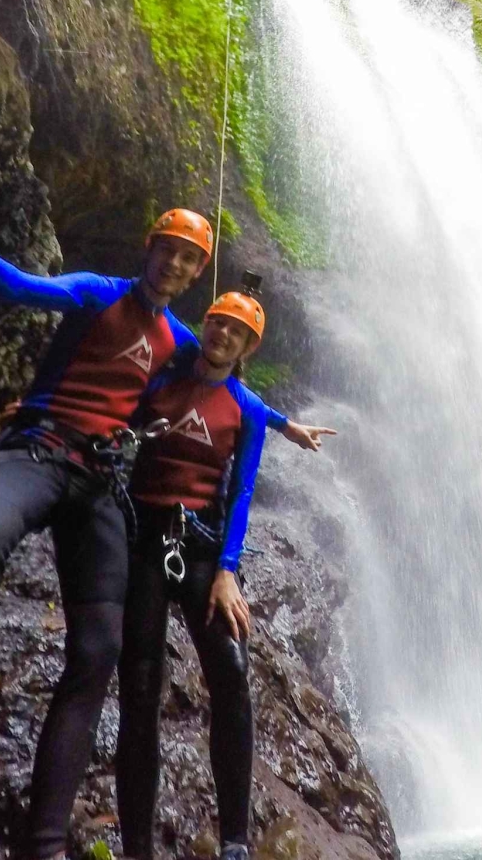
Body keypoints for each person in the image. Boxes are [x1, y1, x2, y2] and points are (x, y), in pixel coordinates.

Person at [0, 184, 333, 859]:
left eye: (189, 259)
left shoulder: (180, 339)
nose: (176, 264)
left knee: (100, 650)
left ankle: (48, 841)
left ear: (198, 274)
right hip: (43, 450)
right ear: (151, 250)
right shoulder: (98, 294)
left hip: (103, 485)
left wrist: (284, 426)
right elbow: (25, 289)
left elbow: (230, 386)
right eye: (169, 251)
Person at [115, 289, 295, 860]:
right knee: (140, 687)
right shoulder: (162, 379)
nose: (222, 335)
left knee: (231, 675)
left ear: (245, 349)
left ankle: (235, 843)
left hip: (199, 548)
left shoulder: (246, 409)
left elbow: (241, 494)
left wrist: (228, 572)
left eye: (235, 333)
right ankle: (136, 846)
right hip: (144, 538)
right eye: (217, 324)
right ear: (207, 326)